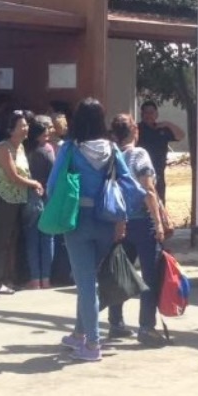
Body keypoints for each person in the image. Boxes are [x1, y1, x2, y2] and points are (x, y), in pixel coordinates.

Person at [53, 98, 133, 362]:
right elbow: (128, 183)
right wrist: (125, 217)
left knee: (86, 283)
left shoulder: (70, 149)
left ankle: (93, 343)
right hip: (106, 220)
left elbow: (53, 184)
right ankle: (78, 334)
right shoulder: (112, 148)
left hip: (77, 219)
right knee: (91, 280)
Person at [111, 113, 170, 347]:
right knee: (149, 277)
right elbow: (149, 190)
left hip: (119, 221)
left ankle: (115, 322)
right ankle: (146, 326)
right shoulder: (139, 154)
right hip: (142, 222)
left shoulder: (113, 158)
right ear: (134, 130)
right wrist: (158, 222)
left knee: (121, 275)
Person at [0, 111, 44, 296]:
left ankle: (8, 279)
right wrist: (34, 183)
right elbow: (13, 176)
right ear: (11, 129)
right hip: (4, 198)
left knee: (12, 241)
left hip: (18, 200)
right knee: (1, 241)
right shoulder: (3, 148)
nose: (26, 128)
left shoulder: (19, 147)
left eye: (26, 124)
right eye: (22, 125)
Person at [22, 115, 56, 289]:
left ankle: (35, 278)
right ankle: (46, 278)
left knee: (32, 238)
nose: (47, 137)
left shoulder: (24, 150)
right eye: (45, 134)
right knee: (47, 238)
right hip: (46, 197)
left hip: (29, 196)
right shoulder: (48, 150)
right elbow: (54, 173)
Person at [137, 100, 183, 204]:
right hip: (140, 175)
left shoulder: (162, 129)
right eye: (146, 113)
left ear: (156, 114)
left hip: (158, 174)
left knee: (160, 204)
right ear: (142, 114)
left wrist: (168, 124)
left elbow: (180, 136)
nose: (149, 115)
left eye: (151, 112)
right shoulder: (136, 130)